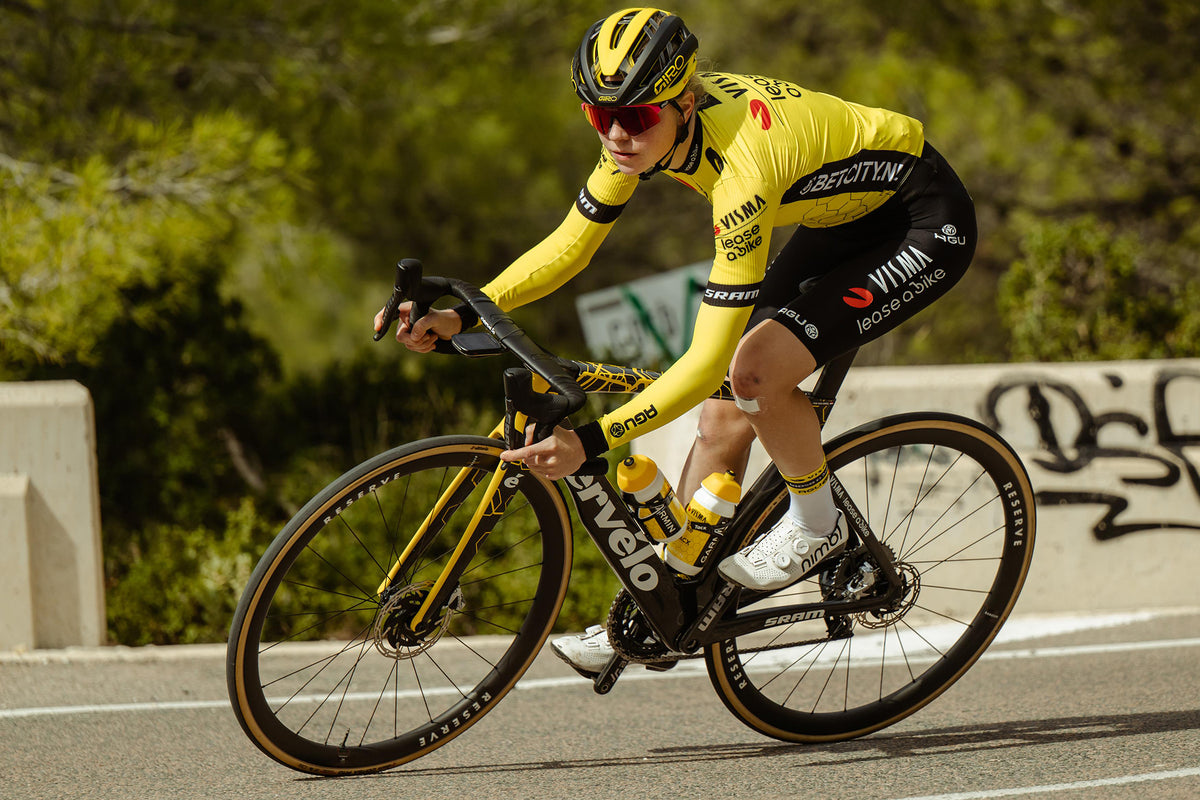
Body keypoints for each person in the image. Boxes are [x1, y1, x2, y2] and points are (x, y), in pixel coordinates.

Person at [376, 8, 977, 677]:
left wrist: (592, 441)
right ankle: (667, 602)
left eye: (634, 118)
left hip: (921, 221)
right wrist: (463, 313)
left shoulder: (742, 171)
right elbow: (570, 246)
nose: (616, 135)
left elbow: (704, 362)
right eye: (599, 116)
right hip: (841, 218)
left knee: (750, 375)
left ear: (684, 105)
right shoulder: (639, 136)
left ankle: (818, 520)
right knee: (721, 418)